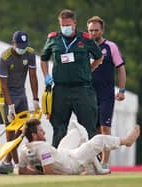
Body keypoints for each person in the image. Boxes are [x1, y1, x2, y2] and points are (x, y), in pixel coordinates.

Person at [40, 9, 103, 147]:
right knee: (59, 129)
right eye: (62, 25)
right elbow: (43, 59)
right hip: (61, 90)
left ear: (74, 23)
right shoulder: (53, 39)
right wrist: (46, 76)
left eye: (68, 25)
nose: (65, 28)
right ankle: (56, 162)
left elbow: (99, 57)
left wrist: (89, 70)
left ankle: (94, 163)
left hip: (82, 90)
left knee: (89, 128)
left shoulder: (85, 39)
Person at [17, 119, 140, 175]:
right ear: (34, 135)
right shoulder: (42, 148)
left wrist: (35, 171)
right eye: (40, 130)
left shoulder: (23, 150)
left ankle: (93, 166)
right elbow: (49, 172)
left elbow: (21, 171)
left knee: (76, 129)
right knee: (98, 139)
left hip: (62, 153)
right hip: (71, 163)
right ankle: (126, 141)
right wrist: (39, 172)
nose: (44, 132)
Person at [0, 30, 39, 172]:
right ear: (13, 43)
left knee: (23, 129)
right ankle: (15, 164)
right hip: (5, 95)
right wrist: (11, 107)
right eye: (19, 45)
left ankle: (8, 162)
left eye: (24, 45)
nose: (22, 48)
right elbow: (3, 86)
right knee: (10, 130)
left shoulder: (30, 53)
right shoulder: (4, 58)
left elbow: (33, 76)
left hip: (21, 92)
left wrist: (35, 98)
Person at [87, 16, 127, 169]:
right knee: (92, 129)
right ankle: (94, 161)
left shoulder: (111, 47)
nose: (93, 33)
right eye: (90, 30)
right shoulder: (84, 47)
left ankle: (105, 162)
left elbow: (121, 69)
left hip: (106, 94)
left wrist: (122, 90)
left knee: (105, 128)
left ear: (102, 30)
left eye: (96, 30)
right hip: (89, 95)